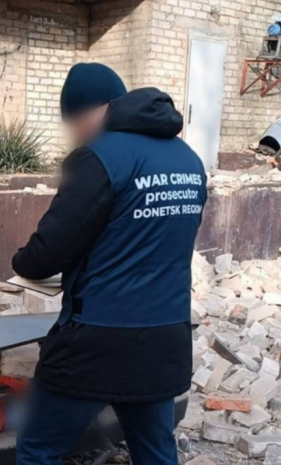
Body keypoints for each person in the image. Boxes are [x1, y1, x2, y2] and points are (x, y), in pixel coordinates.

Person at [12, 63, 208, 465]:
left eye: (73, 121)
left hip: (97, 342)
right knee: (155, 451)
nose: (75, 133)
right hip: (164, 337)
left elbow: (51, 247)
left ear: (88, 111)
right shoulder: (189, 160)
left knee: (38, 447)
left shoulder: (99, 158)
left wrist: (22, 262)